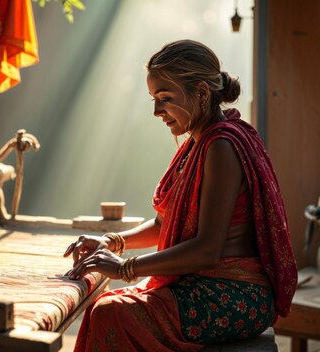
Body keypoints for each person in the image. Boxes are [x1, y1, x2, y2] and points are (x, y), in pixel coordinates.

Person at [63, 40, 297, 351]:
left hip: (236, 293)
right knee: (109, 307)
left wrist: (124, 269)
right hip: (203, 284)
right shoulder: (198, 143)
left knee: (110, 312)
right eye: (154, 99)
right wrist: (112, 242)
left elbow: (207, 250)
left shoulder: (221, 147)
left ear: (201, 93)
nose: (157, 111)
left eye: (165, 99)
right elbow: (164, 225)